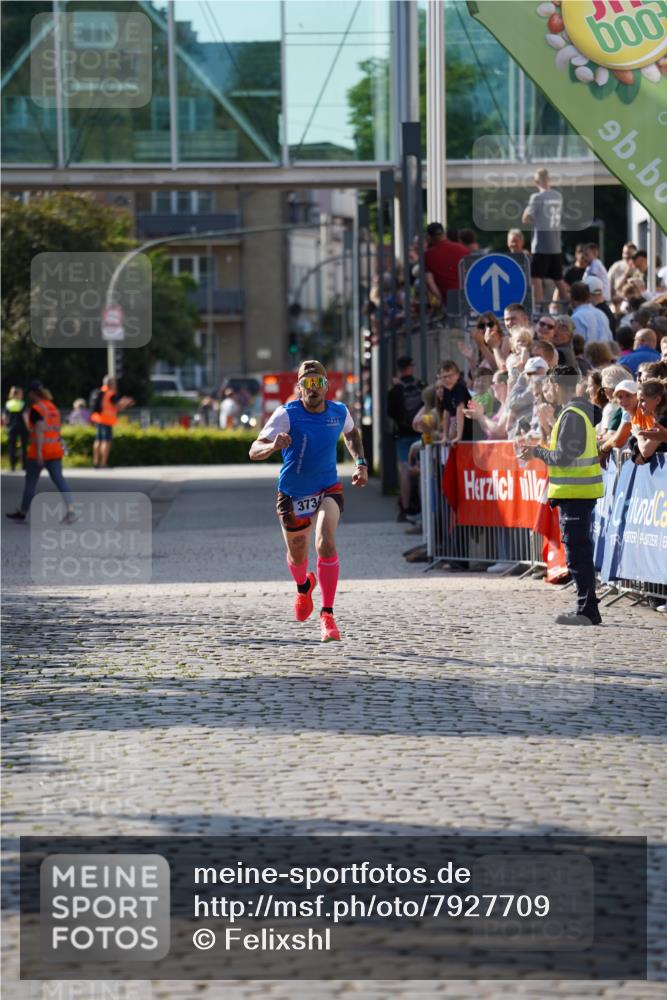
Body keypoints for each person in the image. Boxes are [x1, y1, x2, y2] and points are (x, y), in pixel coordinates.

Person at [248, 359, 368, 642]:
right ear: (299, 388)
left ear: (327, 386)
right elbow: (254, 449)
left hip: (328, 488)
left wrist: (360, 463)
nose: (313, 390)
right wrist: (272, 445)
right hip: (293, 493)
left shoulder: (339, 412)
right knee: (298, 553)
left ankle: (327, 615)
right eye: (307, 384)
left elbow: (351, 433)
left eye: (318, 384)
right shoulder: (286, 414)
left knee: (325, 540)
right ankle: (304, 586)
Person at [519, 365, 604, 626]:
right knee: (579, 552)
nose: (546, 392)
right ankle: (587, 607)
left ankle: (587, 610)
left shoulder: (573, 414)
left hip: (575, 493)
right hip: (578, 492)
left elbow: (563, 458)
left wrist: (537, 453)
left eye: (548, 386)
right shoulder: (578, 411)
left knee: (578, 554)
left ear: (557, 385)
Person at [5, 381, 76, 524]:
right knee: (60, 481)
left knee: (30, 483)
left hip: (40, 451)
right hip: (55, 450)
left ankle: (23, 512)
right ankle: (71, 511)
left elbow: (39, 430)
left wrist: (38, 453)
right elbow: (55, 429)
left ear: (32, 394)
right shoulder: (52, 407)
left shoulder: (36, 409)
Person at [521, 167, 569, 305]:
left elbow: (525, 218)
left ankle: (539, 307)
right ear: (548, 179)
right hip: (555, 244)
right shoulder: (558, 196)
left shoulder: (536, 197)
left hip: (541, 244)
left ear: (536, 181)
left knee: (536, 277)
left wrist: (534, 217)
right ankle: (568, 305)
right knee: (558, 278)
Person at [387, 355, 424, 521]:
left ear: (399, 369)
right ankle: (424, 508)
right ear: (411, 367)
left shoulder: (396, 390)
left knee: (405, 470)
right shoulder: (420, 385)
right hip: (420, 434)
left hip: (402, 435)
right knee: (423, 469)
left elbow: (390, 413)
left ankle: (406, 508)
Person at [89, 375, 134, 469]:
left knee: (98, 440)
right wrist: (126, 403)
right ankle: (103, 463)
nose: (115, 384)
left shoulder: (100, 392)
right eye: (114, 382)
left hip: (98, 419)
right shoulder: (111, 394)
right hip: (106, 420)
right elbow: (117, 407)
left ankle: (96, 461)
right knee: (106, 441)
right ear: (111, 384)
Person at [423, 222, 469, 307]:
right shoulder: (462, 249)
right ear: (444, 233)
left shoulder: (428, 256)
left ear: (429, 237)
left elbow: (430, 282)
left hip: (450, 300)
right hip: (468, 297)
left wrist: (442, 299)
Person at [3, 386, 28, 471]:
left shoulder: (8, 404)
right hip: (22, 427)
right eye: (21, 394)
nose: (22, 395)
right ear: (17, 394)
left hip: (11, 428)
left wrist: (5, 426)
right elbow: (25, 417)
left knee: (12, 447)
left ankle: (12, 466)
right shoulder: (22, 403)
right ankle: (24, 465)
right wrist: (29, 427)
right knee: (24, 447)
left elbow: (4, 417)